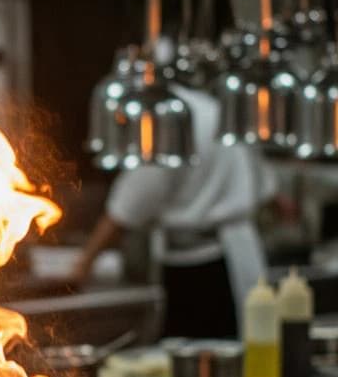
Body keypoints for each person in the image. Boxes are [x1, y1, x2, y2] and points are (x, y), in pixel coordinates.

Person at [71, 82, 275, 338]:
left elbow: (130, 204)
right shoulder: (213, 107)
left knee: (199, 358)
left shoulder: (165, 115)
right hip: (240, 250)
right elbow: (265, 185)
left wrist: (82, 265)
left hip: (202, 272)